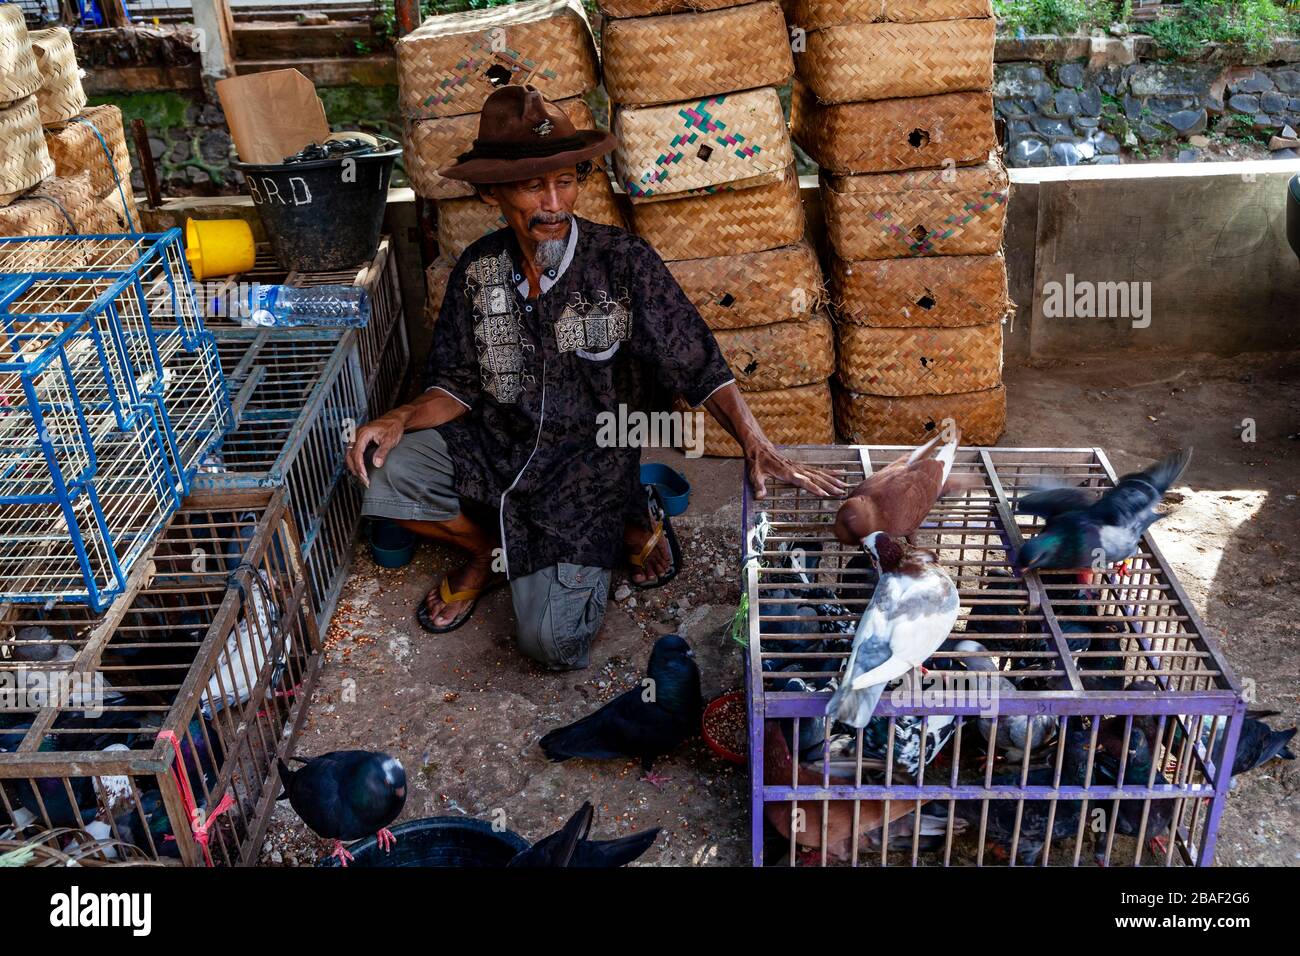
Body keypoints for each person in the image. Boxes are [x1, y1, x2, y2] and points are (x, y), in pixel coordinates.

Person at [345, 84, 844, 671]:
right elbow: (454, 386)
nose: (555, 202)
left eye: (567, 180)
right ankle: (489, 553)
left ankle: (625, 524)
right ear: (491, 191)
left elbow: (697, 357)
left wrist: (756, 444)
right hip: (496, 444)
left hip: (589, 467)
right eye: (534, 185)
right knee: (378, 465)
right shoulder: (477, 271)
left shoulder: (623, 262)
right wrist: (401, 416)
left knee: (554, 646)